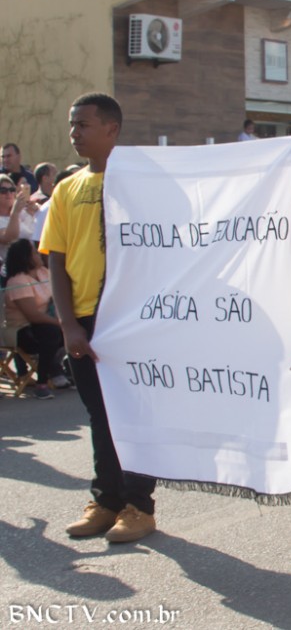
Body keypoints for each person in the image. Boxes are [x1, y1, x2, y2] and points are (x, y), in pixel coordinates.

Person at [40, 92, 158, 542]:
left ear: (112, 129)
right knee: (100, 415)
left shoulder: (142, 183)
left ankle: (139, 506)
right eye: (72, 124)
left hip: (132, 319)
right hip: (85, 320)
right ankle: (106, 500)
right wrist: (69, 323)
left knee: (136, 416)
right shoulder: (67, 189)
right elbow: (56, 259)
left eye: (84, 124)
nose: (74, 133)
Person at [4, 239, 69, 399]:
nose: (39, 254)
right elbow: (33, 315)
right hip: (21, 330)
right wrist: (61, 323)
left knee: (76, 328)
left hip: (45, 324)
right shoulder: (18, 281)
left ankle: (64, 368)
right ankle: (42, 383)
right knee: (52, 332)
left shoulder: (43, 272)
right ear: (26, 257)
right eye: (34, 252)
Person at [0, 175, 36, 262]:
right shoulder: (16, 212)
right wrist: (15, 212)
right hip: (14, 265)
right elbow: (9, 238)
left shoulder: (23, 212)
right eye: (3, 190)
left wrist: (34, 211)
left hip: (34, 262)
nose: (9, 194)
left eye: (12, 190)